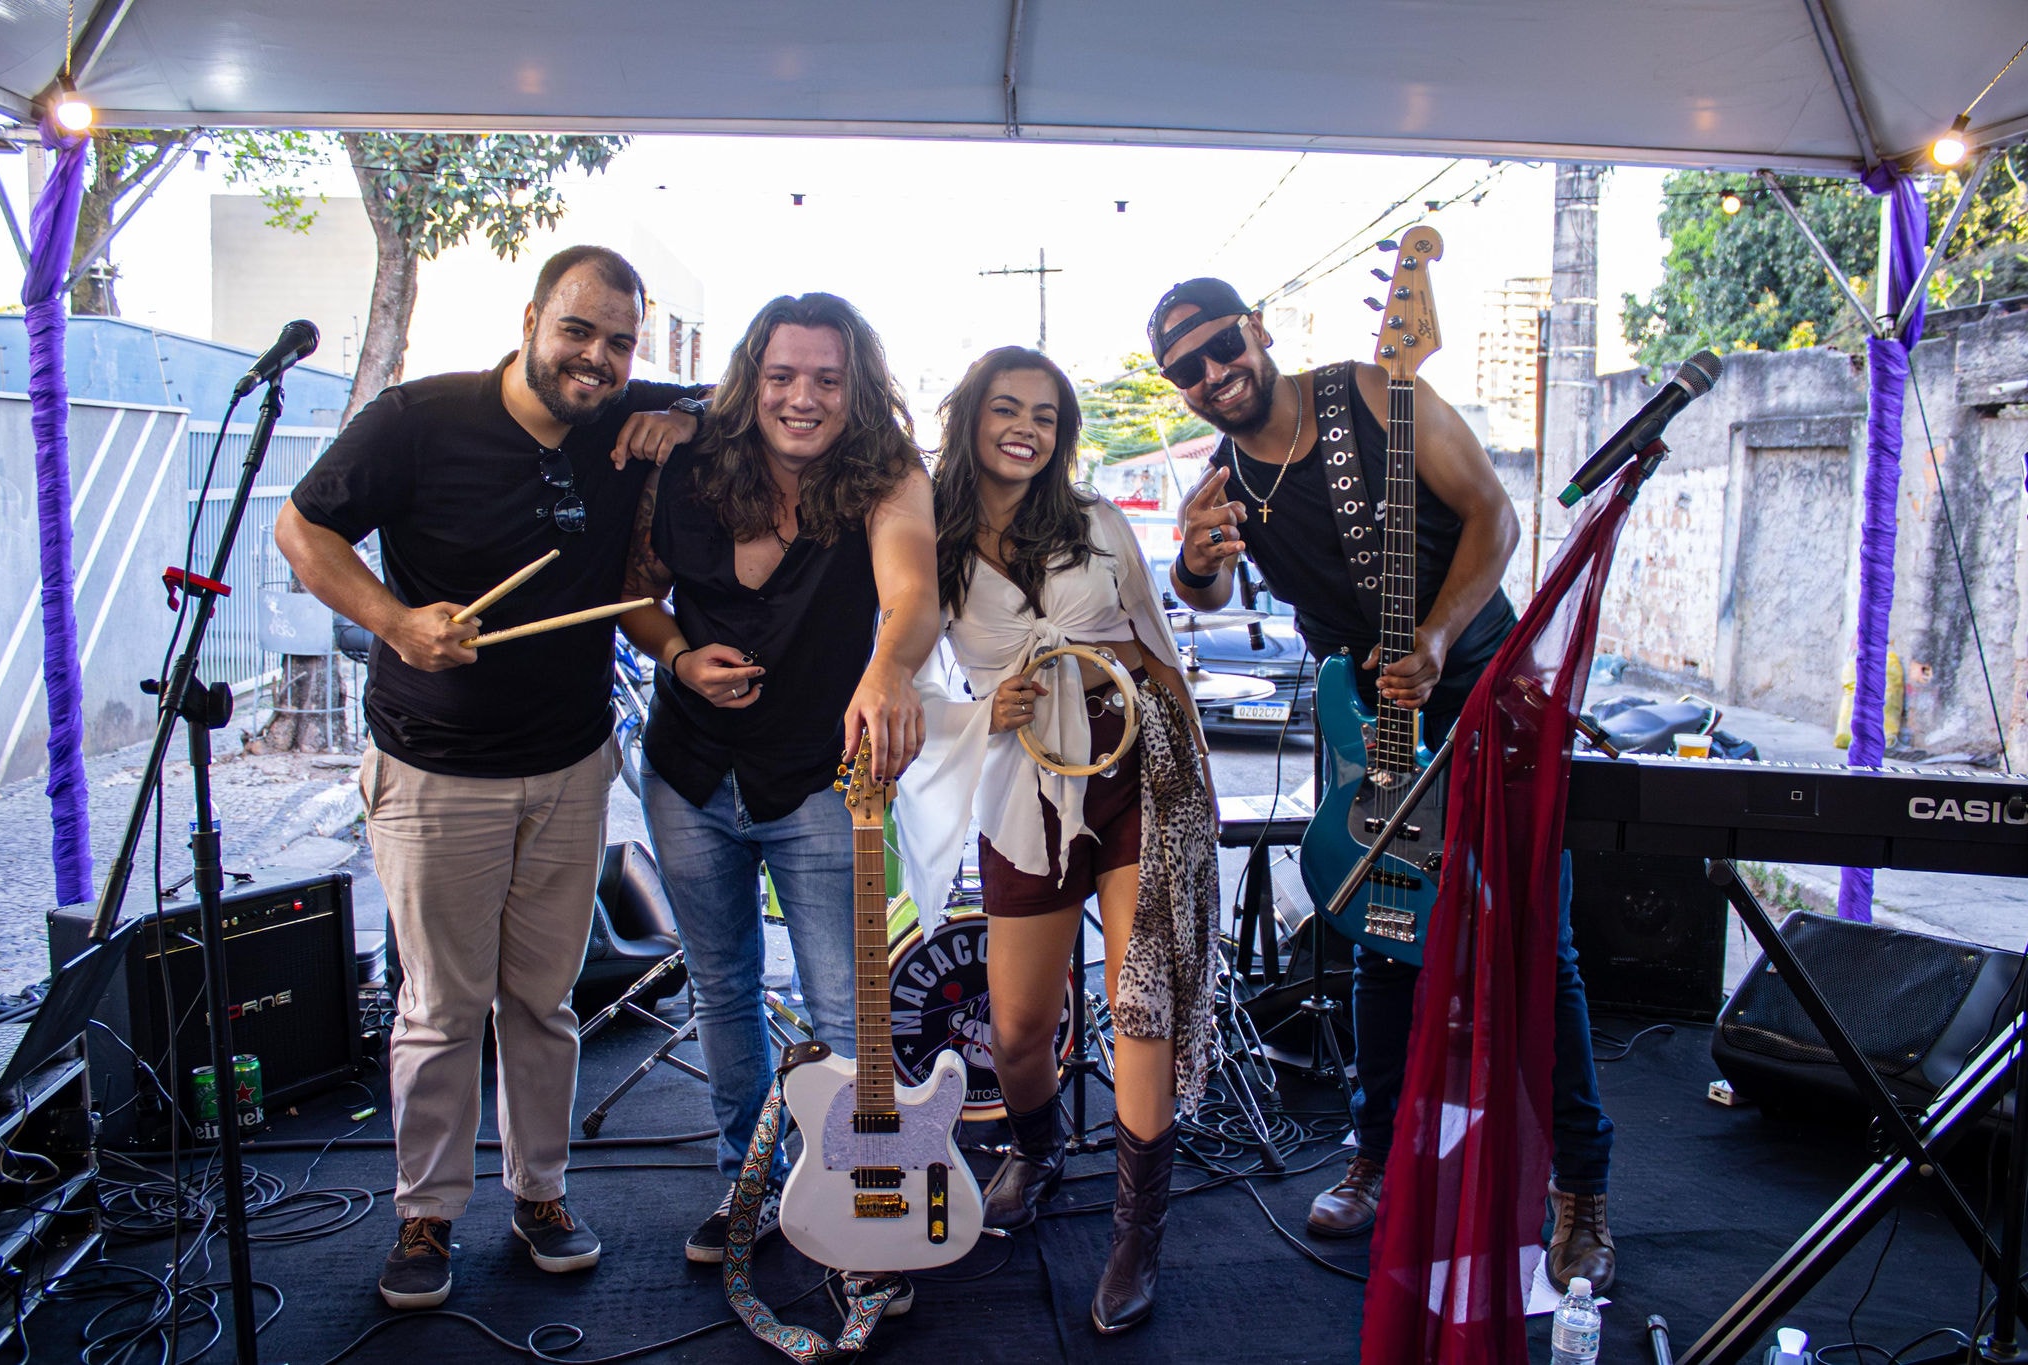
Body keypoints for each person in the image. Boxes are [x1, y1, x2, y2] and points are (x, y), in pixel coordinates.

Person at [1151, 277, 1618, 1293]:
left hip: (1483, 695)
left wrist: (1439, 636)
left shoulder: (1373, 394)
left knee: (1541, 944)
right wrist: (1190, 561)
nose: (1211, 376)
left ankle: (1578, 1194)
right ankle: (1375, 1154)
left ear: (1255, 330)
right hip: (1363, 725)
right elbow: (1206, 591)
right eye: (1183, 370)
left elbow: (1492, 516)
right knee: (1377, 940)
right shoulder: (1224, 480)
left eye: (1219, 347)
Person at [277, 245, 710, 1310]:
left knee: (544, 1000)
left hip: (569, 767)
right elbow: (302, 527)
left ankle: (541, 1192)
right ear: (530, 320)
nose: (598, 359)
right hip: (436, 770)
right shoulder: (420, 419)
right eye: (579, 331)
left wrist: (691, 418)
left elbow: (759, 395)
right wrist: (392, 619)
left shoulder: (619, 411)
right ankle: (425, 1216)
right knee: (439, 1006)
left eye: (620, 342)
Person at [617, 294, 939, 1292]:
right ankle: (747, 1185)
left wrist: (888, 668)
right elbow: (636, 586)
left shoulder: (887, 475)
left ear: (857, 388)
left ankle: (857, 1196)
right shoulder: (685, 463)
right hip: (689, 772)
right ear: (751, 377)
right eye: (781, 376)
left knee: (846, 1009)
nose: (801, 398)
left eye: (827, 380)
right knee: (722, 989)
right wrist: (675, 656)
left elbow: (913, 592)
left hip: (819, 783)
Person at [894, 346, 1218, 1334]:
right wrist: (983, 710)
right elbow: (904, 682)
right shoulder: (927, 545)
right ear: (971, 418)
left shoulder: (1098, 525)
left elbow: (1159, 645)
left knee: (1140, 1004)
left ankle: (1134, 1235)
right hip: (1019, 791)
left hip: (1135, 777)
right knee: (1021, 1026)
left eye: (1044, 412)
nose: (1025, 426)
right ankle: (1036, 1151)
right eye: (1005, 407)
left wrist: (1191, 781)